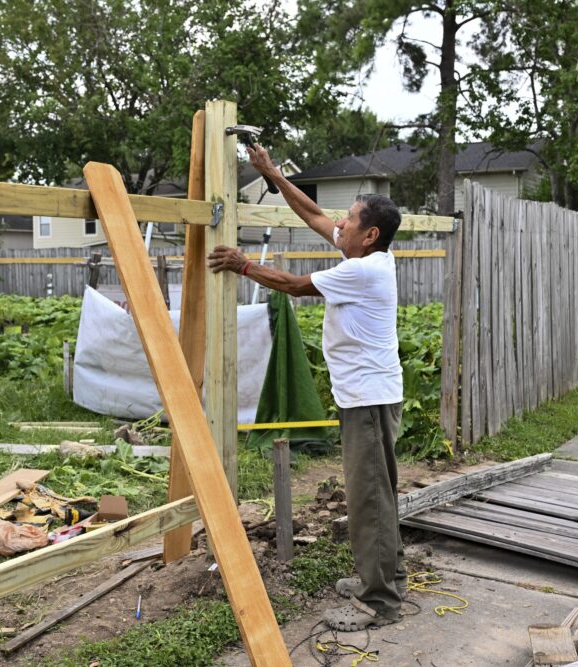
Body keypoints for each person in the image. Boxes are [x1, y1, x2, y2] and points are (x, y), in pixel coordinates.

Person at [207, 144, 406, 632]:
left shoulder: (362, 270)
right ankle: (386, 575)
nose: (340, 222)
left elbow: (296, 286)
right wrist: (271, 173)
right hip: (368, 393)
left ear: (370, 234)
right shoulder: (371, 254)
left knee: (369, 496)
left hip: (368, 398)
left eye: (351, 219)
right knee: (378, 490)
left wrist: (243, 265)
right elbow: (314, 213)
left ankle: (379, 600)